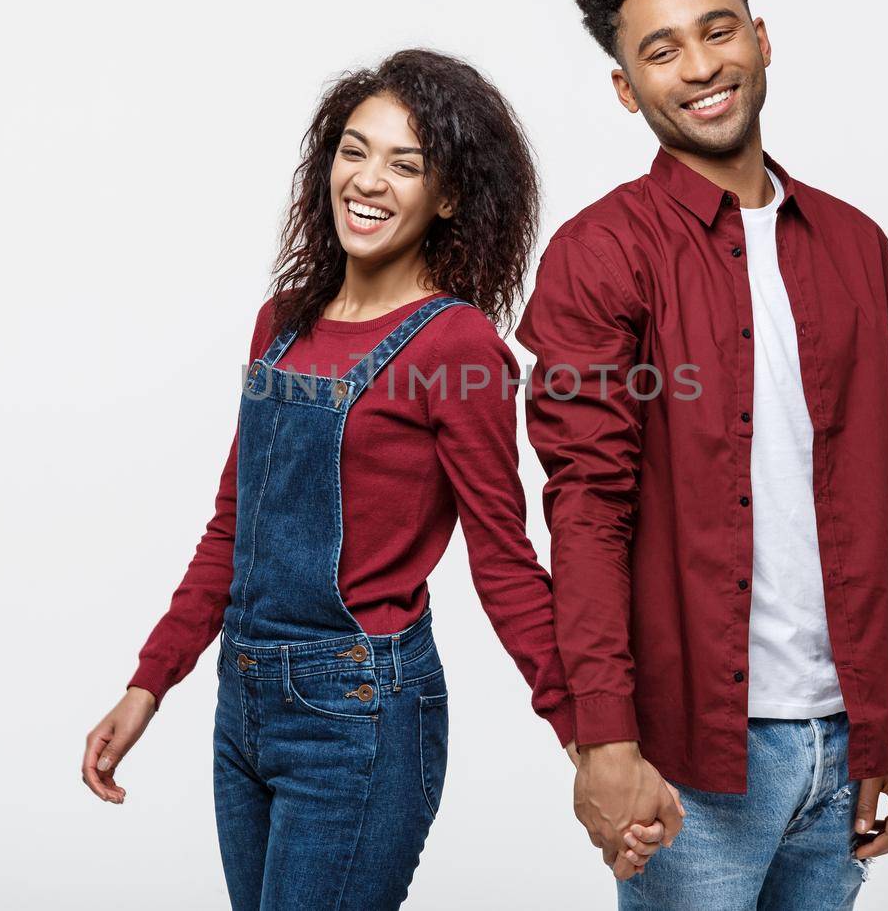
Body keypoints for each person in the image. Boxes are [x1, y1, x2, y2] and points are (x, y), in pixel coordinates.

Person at [80, 48, 673, 909]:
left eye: (407, 163)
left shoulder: (455, 347)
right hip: (241, 708)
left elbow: (504, 561)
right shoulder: (280, 325)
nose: (369, 179)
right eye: (354, 150)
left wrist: (591, 742)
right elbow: (232, 527)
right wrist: (148, 684)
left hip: (358, 715)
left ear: (450, 196)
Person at [515, 0, 888, 908]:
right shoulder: (601, 253)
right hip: (692, 754)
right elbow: (586, 508)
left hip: (846, 743)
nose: (699, 67)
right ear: (625, 87)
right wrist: (604, 737)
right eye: (661, 51)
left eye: (717, 30)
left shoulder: (856, 246)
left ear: (760, 37)